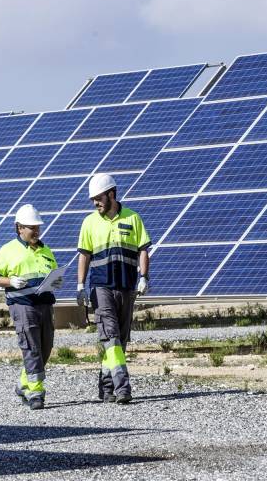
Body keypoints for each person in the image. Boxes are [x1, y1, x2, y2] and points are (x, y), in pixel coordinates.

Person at [76, 173, 151, 404]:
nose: (95, 203)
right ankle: (122, 386)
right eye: (92, 200)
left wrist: (144, 277)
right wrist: (80, 285)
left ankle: (106, 388)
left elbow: (143, 249)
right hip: (101, 287)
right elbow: (84, 256)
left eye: (98, 198)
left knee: (121, 338)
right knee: (110, 335)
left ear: (111, 194)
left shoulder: (133, 218)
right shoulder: (89, 222)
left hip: (127, 286)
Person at [0, 204, 62, 410]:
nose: (36, 231)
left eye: (38, 227)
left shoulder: (46, 250)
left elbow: (53, 273)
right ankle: (36, 393)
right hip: (23, 306)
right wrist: (11, 281)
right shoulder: (7, 250)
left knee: (45, 348)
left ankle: (23, 383)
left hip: (45, 305)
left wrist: (56, 282)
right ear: (20, 227)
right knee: (31, 348)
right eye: (32, 227)